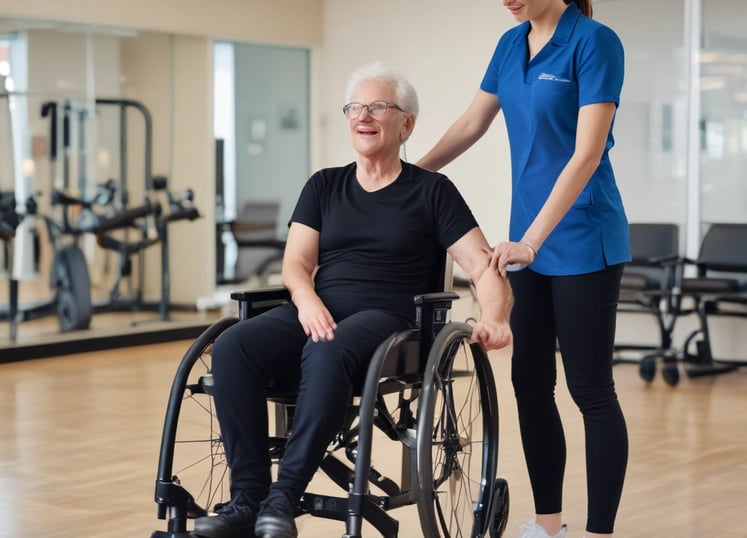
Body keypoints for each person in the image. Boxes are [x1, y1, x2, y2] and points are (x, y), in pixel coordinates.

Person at [193, 61, 513, 538]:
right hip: (319, 309)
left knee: (329, 346)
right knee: (234, 347)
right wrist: (304, 299)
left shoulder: (432, 192)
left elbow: (482, 266)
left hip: (391, 322)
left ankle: (283, 498)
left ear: (406, 123)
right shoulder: (324, 185)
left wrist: (495, 317)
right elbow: (295, 265)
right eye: (355, 107)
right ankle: (248, 499)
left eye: (379, 107)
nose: (364, 116)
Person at [416, 1, 630, 537]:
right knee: (531, 386)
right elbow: (472, 123)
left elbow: (585, 154)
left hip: (583, 237)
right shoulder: (511, 46)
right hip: (525, 246)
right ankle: (548, 524)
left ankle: (599, 531)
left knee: (590, 390)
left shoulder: (594, 41)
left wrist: (533, 240)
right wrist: (409, 178)